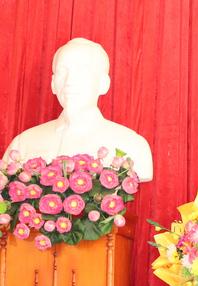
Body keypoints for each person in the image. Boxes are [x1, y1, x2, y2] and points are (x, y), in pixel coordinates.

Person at [3, 37, 153, 180]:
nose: (70, 81)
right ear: (53, 83)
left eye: (82, 71)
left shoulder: (131, 145)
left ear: (104, 84)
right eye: (62, 71)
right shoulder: (23, 144)